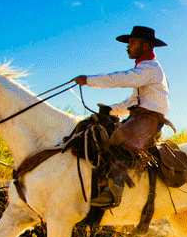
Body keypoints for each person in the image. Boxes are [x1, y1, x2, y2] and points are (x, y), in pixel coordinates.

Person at [72, 26, 170, 209]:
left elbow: (123, 79)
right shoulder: (143, 69)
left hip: (150, 120)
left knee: (124, 147)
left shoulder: (150, 68)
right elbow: (131, 102)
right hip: (138, 117)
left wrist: (89, 80)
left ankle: (113, 192)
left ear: (145, 45)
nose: (128, 47)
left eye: (132, 43)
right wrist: (111, 110)